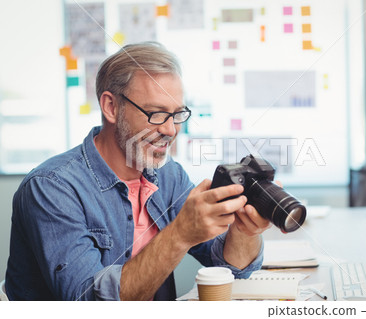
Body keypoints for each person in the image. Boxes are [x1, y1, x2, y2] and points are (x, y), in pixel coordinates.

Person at [5, 42, 271, 301]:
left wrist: (244, 231)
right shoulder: (52, 188)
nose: (170, 130)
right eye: (156, 113)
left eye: (177, 114)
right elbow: (88, 303)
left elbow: (230, 266)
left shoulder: (169, 177)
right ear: (111, 107)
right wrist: (179, 234)